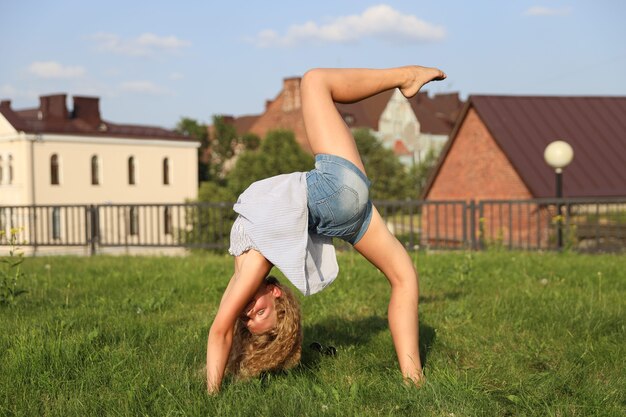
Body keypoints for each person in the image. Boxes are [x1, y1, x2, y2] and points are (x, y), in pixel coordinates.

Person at [206, 65, 447, 393]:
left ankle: (414, 380)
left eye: (248, 318)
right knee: (315, 81)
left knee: (405, 279)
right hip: (334, 191)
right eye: (258, 311)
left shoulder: (245, 271)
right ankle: (405, 77)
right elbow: (220, 330)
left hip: (344, 214)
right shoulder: (257, 257)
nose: (247, 310)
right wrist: (211, 394)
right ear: (275, 293)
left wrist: (217, 386)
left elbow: (224, 328)